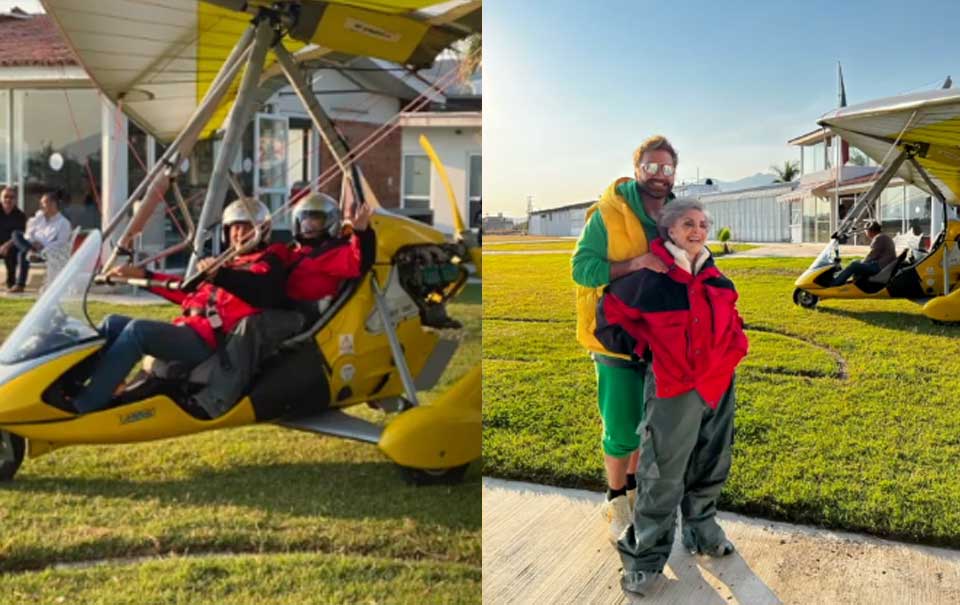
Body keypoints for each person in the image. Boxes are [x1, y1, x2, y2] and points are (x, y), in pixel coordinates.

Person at [594, 198, 749, 597]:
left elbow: (733, 319)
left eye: (702, 223)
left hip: (717, 383)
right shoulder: (653, 276)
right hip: (674, 387)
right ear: (670, 231)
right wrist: (646, 349)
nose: (697, 230)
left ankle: (702, 531)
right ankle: (644, 558)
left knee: (712, 460)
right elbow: (609, 314)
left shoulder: (716, 278)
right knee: (661, 473)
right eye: (687, 224)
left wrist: (735, 349)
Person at [72, 198, 288, 414]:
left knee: (138, 331)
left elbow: (261, 290)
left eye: (246, 227)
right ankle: (69, 386)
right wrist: (145, 276)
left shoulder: (267, 263)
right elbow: (187, 291)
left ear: (262, 231)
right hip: (189, 329)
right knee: (112, 323)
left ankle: (86, 405)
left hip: (208, 341)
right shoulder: (228, 262)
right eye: (235, 227)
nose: (239, 234)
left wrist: (221, 275)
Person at [571, 135, 676, 543]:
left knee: (644, 426)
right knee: (620, 427)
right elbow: (582, 268)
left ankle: (633, 494)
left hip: (657, 337)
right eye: (651, 166)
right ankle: (615, 501)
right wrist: (637, 263)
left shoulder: (674, 213)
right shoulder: (608, 214)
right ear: (637, 170)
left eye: (666, 168)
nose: (658, 175)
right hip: (614, 336)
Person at [3, 192, 71, 292]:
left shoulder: (63, 223)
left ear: (53, 204)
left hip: (47, 252)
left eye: (43, 203)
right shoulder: (39, 218)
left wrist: (43, 246)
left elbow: (61, 242)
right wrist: (33, 241)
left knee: (22, 253)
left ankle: (20, 285)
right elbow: (28, 234)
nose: (41, 206)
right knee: (16, 234)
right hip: (32, 248)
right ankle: (30, 251)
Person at [830, 221, 896, 286]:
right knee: (856, 262)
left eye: (865, 231)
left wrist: (862, 262)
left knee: (854, 265)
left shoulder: (879, 238)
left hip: (880, 266)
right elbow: (874, 255)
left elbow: (872, 255)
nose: (865, 233)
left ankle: (835, 283)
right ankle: (854, 284)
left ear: (870, 230)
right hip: (883, 265)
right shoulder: (883, 236)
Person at [0, 187, 27, 292]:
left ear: (15, 199)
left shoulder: (20, 215)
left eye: (11, 197)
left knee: (13, 252)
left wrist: (6, 245)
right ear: (1, 198)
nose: (8, 199)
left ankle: (11, 284)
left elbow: (20, 235)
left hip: (11, 246)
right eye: (5, 196)